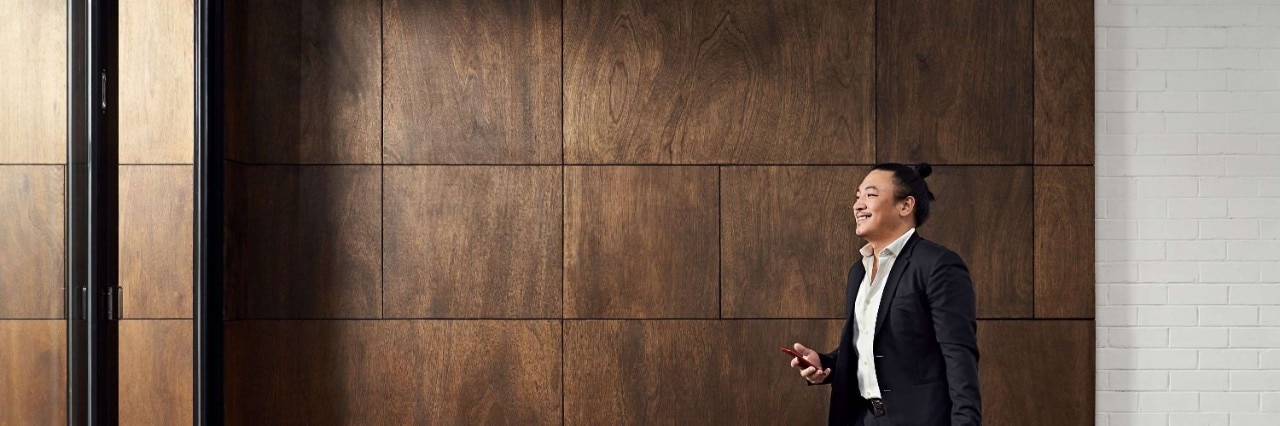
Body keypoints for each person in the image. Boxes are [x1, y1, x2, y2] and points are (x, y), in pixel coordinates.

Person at [789, 163, 981, 426]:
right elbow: (871, 346)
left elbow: (959, 356)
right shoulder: (859, 271)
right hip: (862, 418)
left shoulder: (937, 265)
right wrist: (825, 363)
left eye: (870, 195)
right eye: (858, 196)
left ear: (906, 205)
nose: (857, 205)